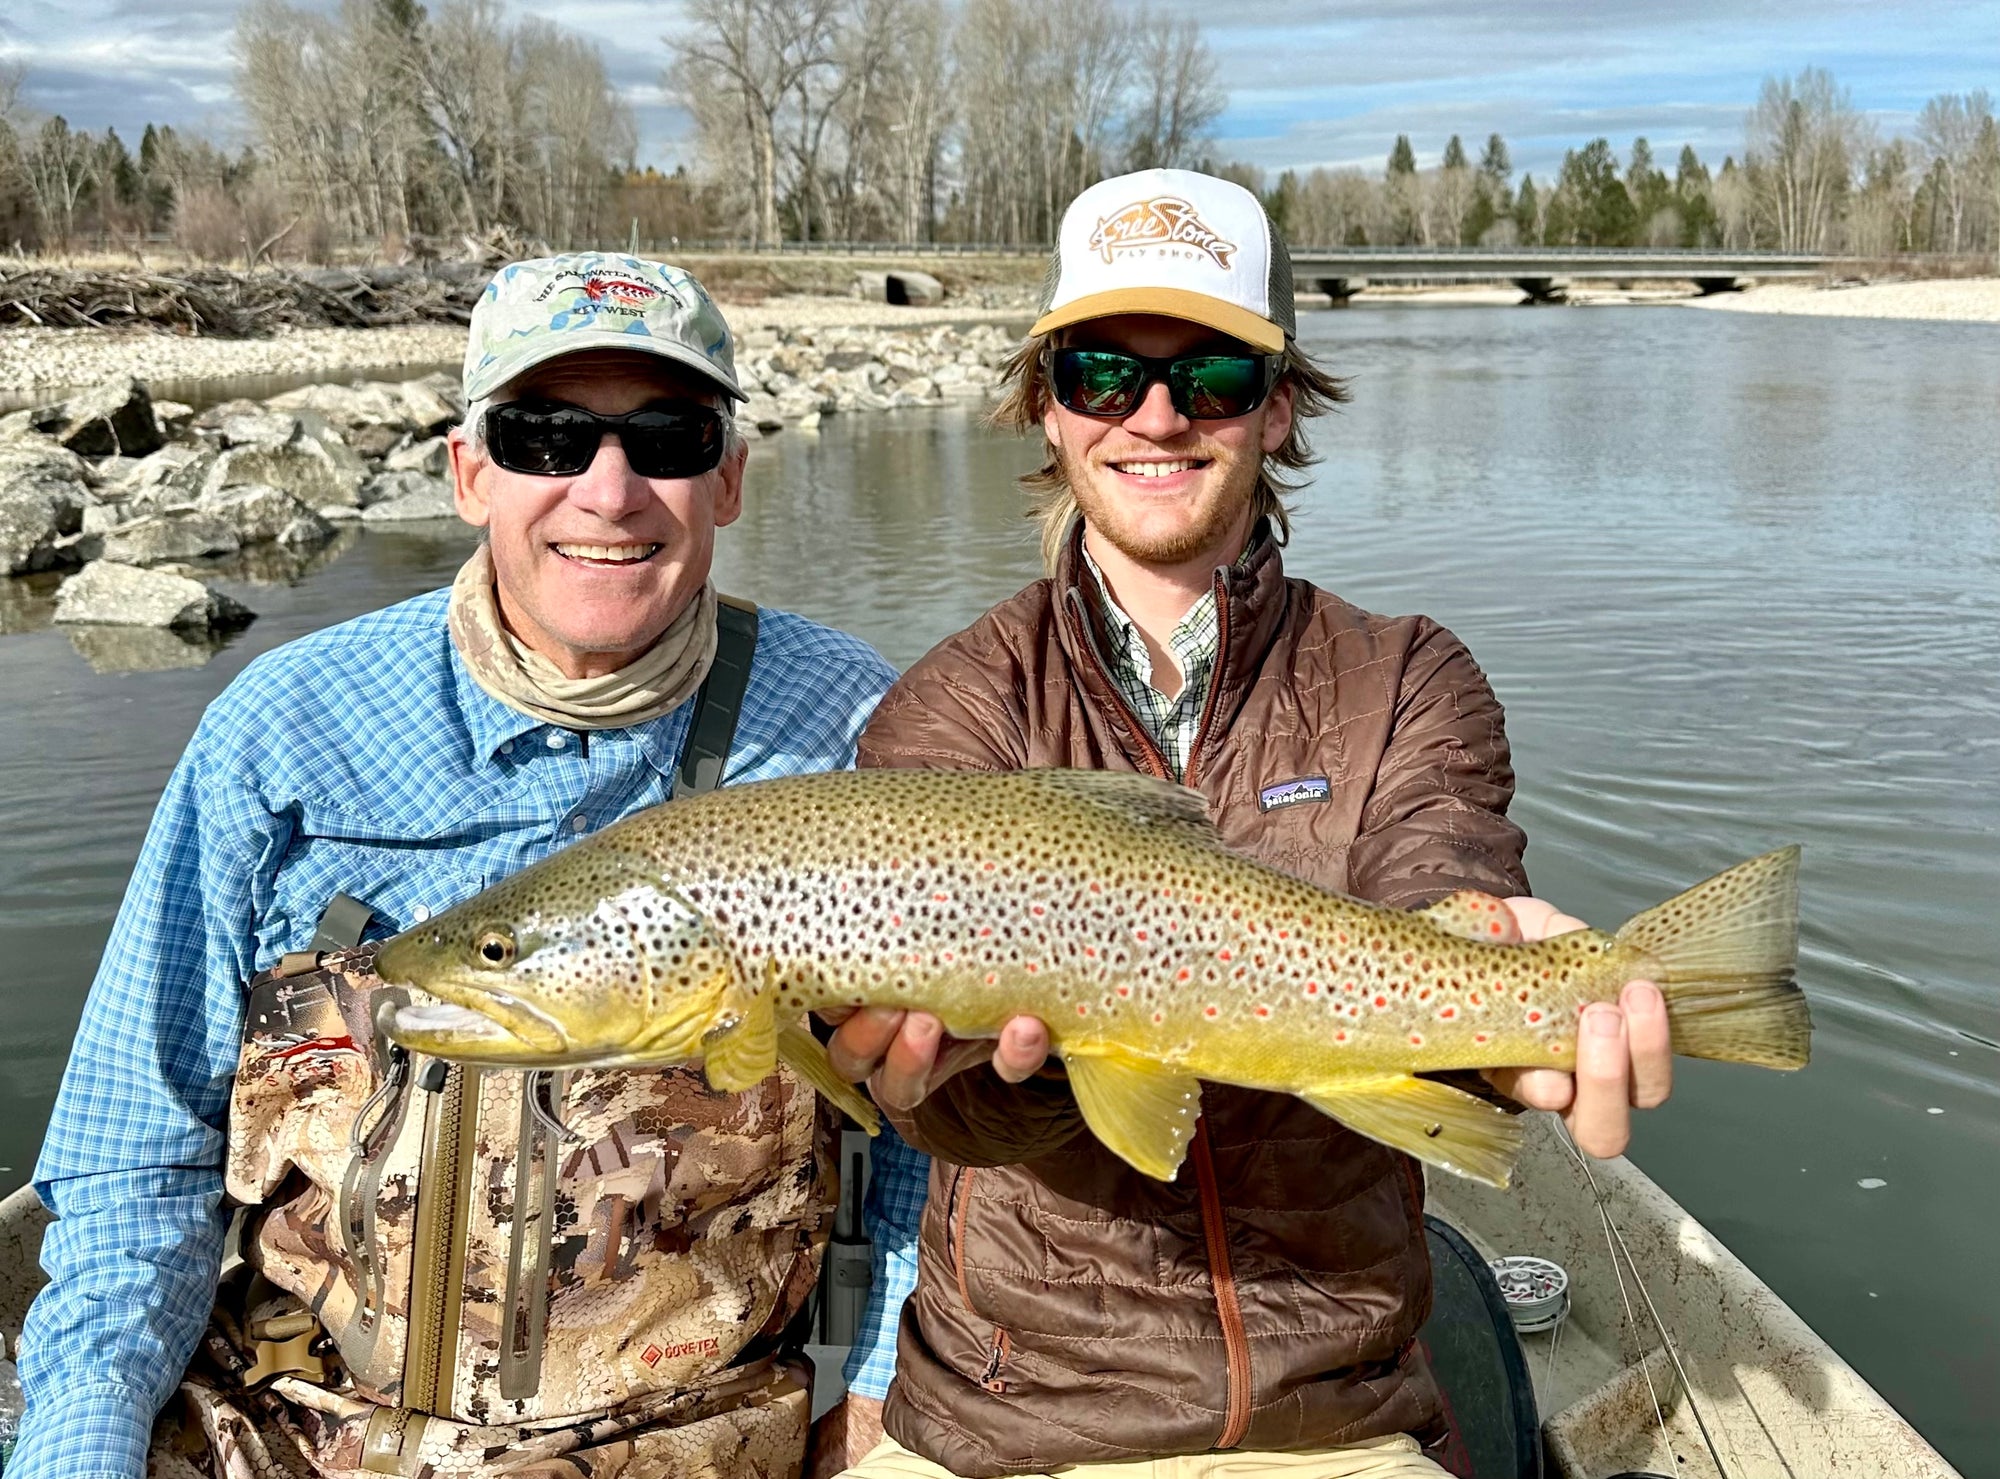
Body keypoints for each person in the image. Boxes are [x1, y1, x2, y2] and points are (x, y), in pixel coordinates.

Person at [820, 169, 1674, 1479]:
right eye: (1103, 372)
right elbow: (952, 1123)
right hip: (1011, 1414)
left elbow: (1436, 876)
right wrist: (972, 1082)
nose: (1155, 415)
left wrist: (1503, 978)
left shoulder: (1406, 676)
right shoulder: (953, 702)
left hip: (1333, 1407)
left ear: (1278, 404)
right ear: (1048, 404)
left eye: (1210, 374)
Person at [12, 253, 896, 1479]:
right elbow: (138, 1157)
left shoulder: (851, 725)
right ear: (468, 472)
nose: (608, 492)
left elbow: (925, 1155)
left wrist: (880, 1404)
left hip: (703, 1439)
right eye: (544, 437)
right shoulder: (284, 730)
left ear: (729, 478)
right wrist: (81, 1442)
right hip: (289, 1426)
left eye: (666, 438)